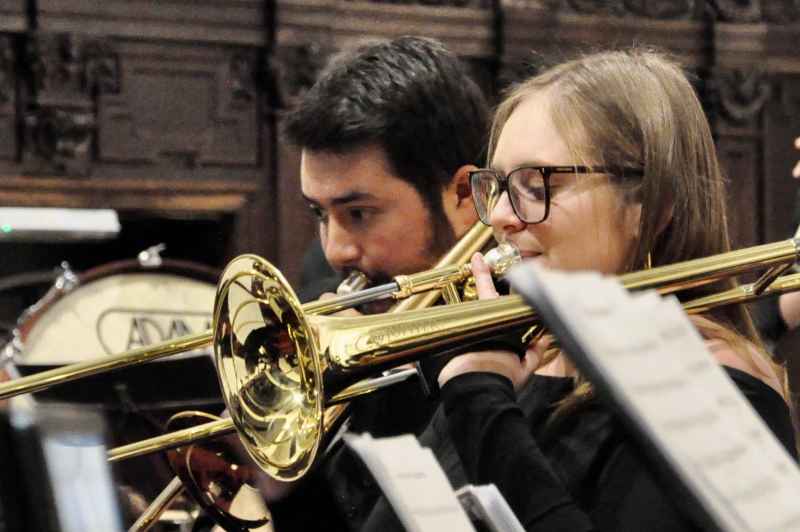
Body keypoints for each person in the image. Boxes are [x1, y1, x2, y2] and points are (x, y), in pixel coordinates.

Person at [359, 48, 797, 532]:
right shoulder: (524, 363)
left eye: (535, 185)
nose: (500, 216)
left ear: (650, 204)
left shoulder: (720, 390)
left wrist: (480, 400)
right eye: (498, 185)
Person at [256, 36, 490, 532]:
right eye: (320, 214)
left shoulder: (515, 349)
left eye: (359, 213)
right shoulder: (332, 297)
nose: (335, 250)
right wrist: (282, 484)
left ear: (463, 196)